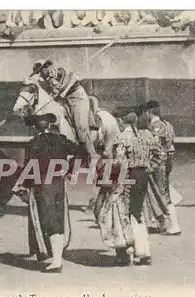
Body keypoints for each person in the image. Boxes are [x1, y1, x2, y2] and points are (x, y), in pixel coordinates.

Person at [21, 113, 82, 273]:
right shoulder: (60, 139)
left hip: (42, 184)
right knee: (58, 217)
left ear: (34, 127)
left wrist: (25, 186)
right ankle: (56, 258)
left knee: (47, 219)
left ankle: (56, 261)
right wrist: (69, 170)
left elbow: (29, 168)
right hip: (58, 183)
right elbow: (81, 151)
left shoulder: (32, 143)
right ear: (49, 125)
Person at [93, 106, 153, 266]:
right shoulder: (145, 135)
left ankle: (128, 252)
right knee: (137, 212)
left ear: (120, 121)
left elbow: (119, 162)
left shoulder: (121, 138)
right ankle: (144, 251)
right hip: (143, 176)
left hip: (127, 176)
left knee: (122, 214)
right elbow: (158, 154)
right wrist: (147, 168)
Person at [29, 59, 99, 164]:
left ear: (46, 67)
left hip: (77, 98)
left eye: (40, 71)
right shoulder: (47, 80)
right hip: (65, 101)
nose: (40, 75)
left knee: (81, 127)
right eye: (38, 73)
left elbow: (60, 88)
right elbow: (54, 94)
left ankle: (92, 153)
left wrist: (54, 91)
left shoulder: (58, 72)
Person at [137, 100, 181, 236]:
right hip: (166, 162)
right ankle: (164, 223)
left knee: (161, 194)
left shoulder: (155, 127)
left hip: (158, 164)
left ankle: (172, 225)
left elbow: (155, 149)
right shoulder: (167, 124)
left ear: (148, 112)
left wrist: (150, 164)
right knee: (163, 193)